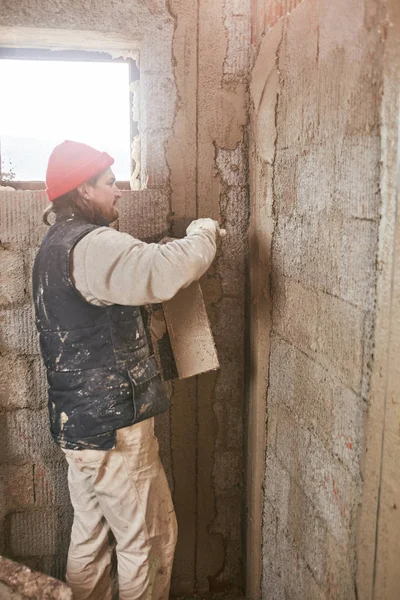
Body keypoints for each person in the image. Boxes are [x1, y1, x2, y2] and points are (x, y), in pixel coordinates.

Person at [32, 140, 220, 600]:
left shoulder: (55, 246)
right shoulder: (94, 245)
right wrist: (204, 230)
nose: (119, 192)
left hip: (78, 427)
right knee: (147, 541)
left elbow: (115, 288)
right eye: (110, 183)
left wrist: (149, 253)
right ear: (83, 191)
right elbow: (170, 270)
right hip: (116, 430)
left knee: (91, 539)